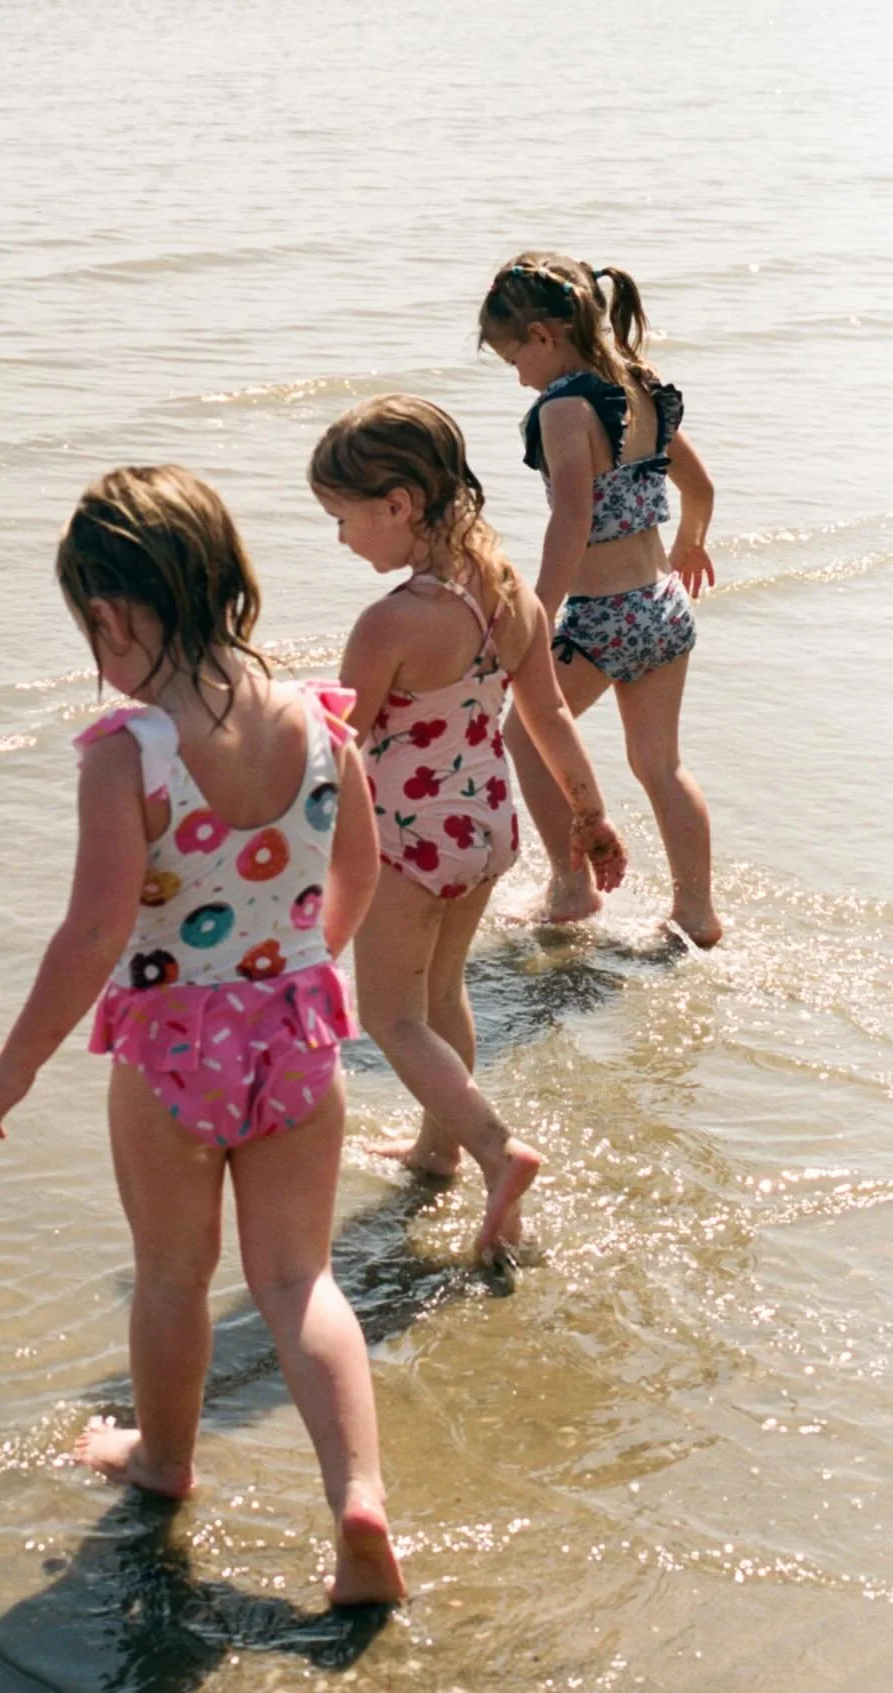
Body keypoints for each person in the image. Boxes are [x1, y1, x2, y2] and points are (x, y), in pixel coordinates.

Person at [0, 465, 406, 1605]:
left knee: (172, 1272)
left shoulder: (131, 751)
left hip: (172, 1049)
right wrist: (299, 966)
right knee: (299, 1278)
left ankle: (164, 1460)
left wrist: (16, 1061)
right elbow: (360, 868)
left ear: (112, 615)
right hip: (298, 1030)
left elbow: (96, 928)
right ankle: (358, 1496)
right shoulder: (320, 719)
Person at [309, 395, 626, 1232]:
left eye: (343, 519)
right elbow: (548, 714)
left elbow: (342, 744)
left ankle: (494, 1148)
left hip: (406, 842)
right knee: (443, 992)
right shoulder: (508, 590)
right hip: (486, 826)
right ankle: (437, 1148)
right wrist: (588, 815)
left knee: (389, 1015)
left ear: (397, 505)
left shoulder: (390, 623)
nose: (340, 538)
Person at [478, 252, 722, 946]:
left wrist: (536, 615)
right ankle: (696, 913)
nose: (518, 376)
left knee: (526, 736)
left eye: (514, 358)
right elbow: (701, 488)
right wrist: (690, 542)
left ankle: (572, 887)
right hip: (663, 605)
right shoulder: (639, 385)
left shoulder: (562, 408)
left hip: (604, 618)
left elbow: (571, 519)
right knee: (661, 766)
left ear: (543, 335)